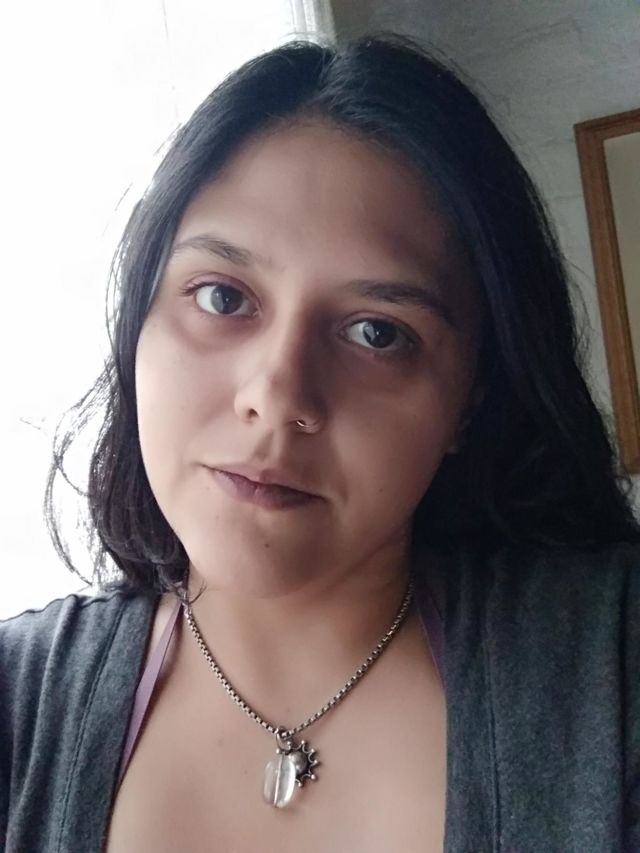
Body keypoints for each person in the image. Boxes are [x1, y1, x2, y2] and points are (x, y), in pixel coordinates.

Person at [1, 32, 638, 853]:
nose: (277, 396)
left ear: (470, 400)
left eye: (378, 332)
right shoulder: (20, 702)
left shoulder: (610, 670)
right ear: (139, 321)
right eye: (222, 296)